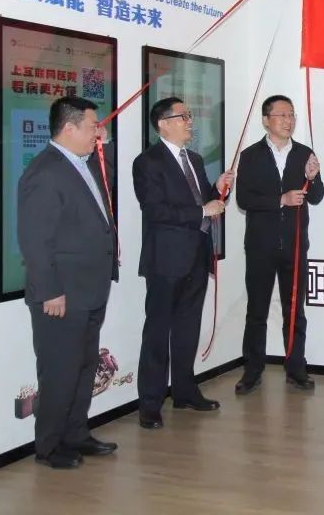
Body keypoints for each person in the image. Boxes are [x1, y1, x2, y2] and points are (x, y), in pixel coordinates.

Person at [18, 97, 119, 468]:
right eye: (93, 126)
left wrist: (104, 144)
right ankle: (49, 447)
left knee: (83, 366)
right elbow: (34, 240)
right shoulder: (45, 172)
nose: (98, 132)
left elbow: (106, 174)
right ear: (69, 128)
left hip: (89, 289)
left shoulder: (81, 163)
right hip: (61, 294)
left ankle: (76, 433)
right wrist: (50, 291)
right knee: (59, 371)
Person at [133, 97, 234, 428]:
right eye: (183, 116)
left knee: (188, 328)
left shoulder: (195, 158)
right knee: (158, 331)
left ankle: (185, 390)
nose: (190, 121)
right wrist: (203, 210)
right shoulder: (147, 162)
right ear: (163, 124)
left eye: (189, 116)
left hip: (196, 256)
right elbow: (155, 210)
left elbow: (204, 200)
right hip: (166, 260)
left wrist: (218, 190)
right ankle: (150, 403)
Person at [234, 96, 324, 394]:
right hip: (260, 246)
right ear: (266, 120)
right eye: (282, 115)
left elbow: (316, 196)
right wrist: (280, 200)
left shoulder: (304, 153)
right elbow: (244, 200)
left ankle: (296, 369)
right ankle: (252, 371)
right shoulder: (250, 155)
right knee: (256, 310)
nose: (289, 120)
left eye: (291, 115)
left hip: (295, 245)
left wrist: (313, 178)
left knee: (295, 310)